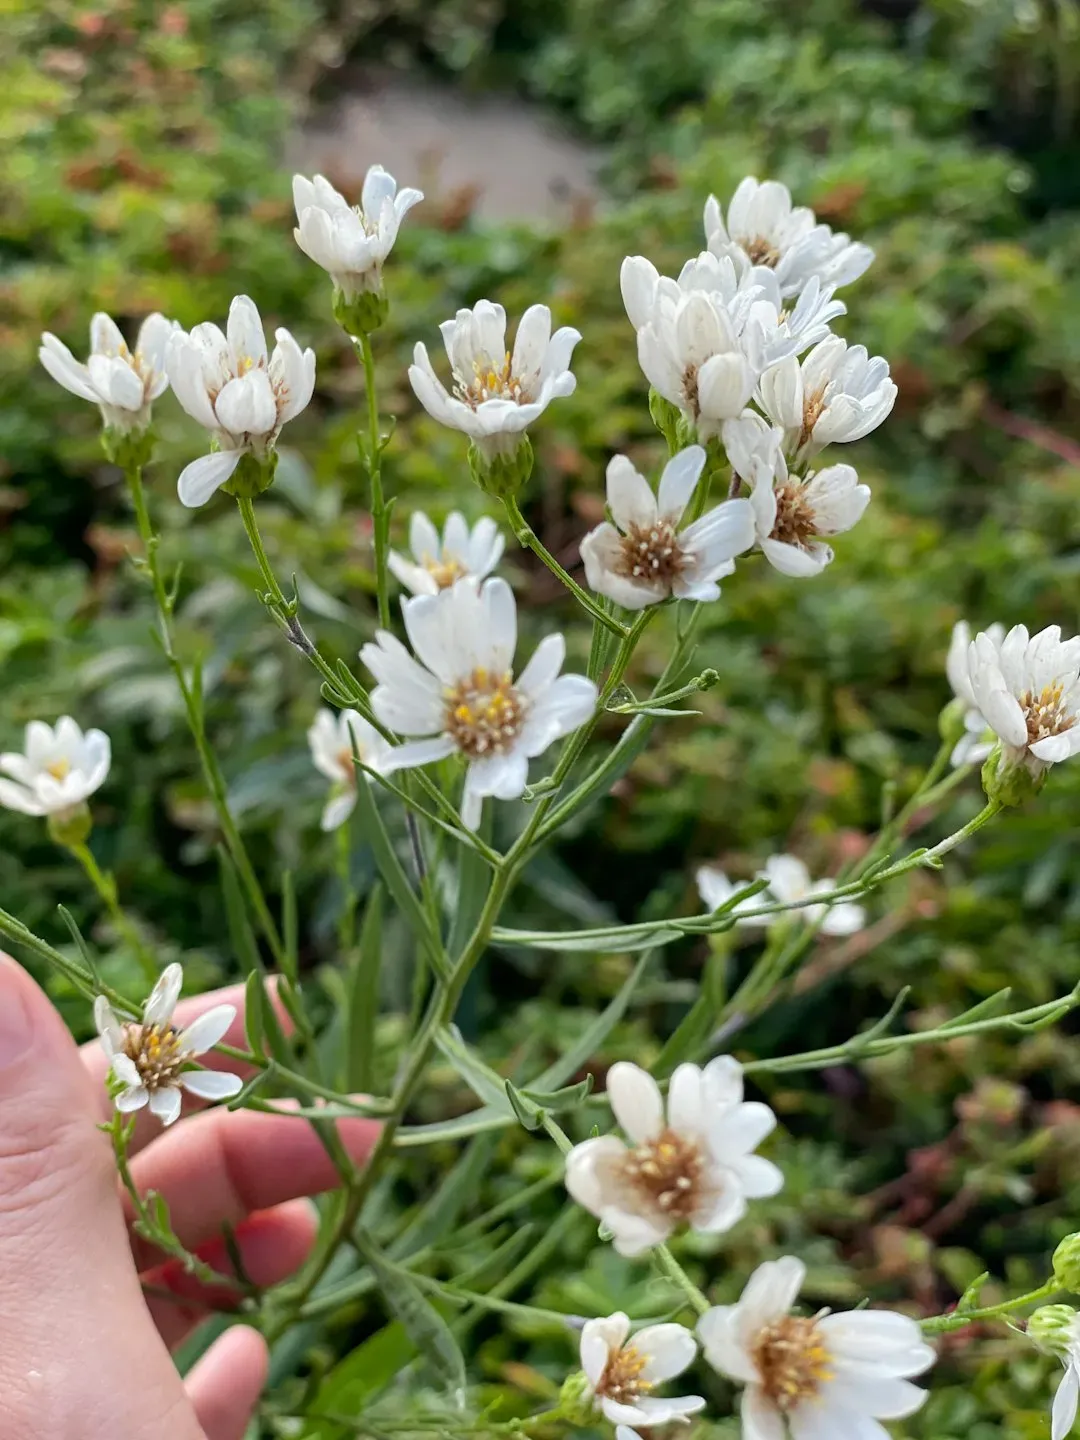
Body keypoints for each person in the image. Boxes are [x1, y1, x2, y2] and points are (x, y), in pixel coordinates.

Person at [0, 953, 381, 1439]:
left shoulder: (162, 1082)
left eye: (163, 1053)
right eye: (152, 1052)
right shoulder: (136, 1078)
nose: (155, 1056)